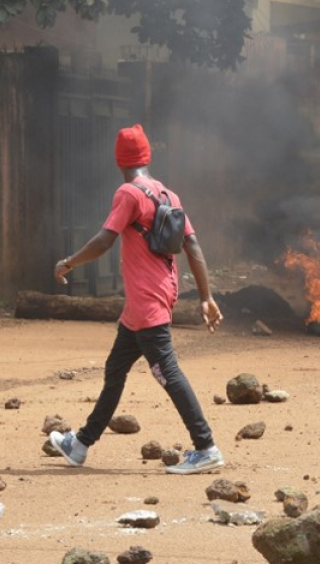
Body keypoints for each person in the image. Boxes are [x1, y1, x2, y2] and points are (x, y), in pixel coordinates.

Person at [48, 123, 225, 475]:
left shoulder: (128, 194)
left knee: (168, 373)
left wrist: (68, 263)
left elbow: (103, 240)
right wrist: (205, 296)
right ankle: (80, 445)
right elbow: (192, 245)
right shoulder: (168, 195)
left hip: (147, 303)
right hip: (148, 301)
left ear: (119, 161)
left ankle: (205, 447)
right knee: (115, 369)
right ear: (148, 156)